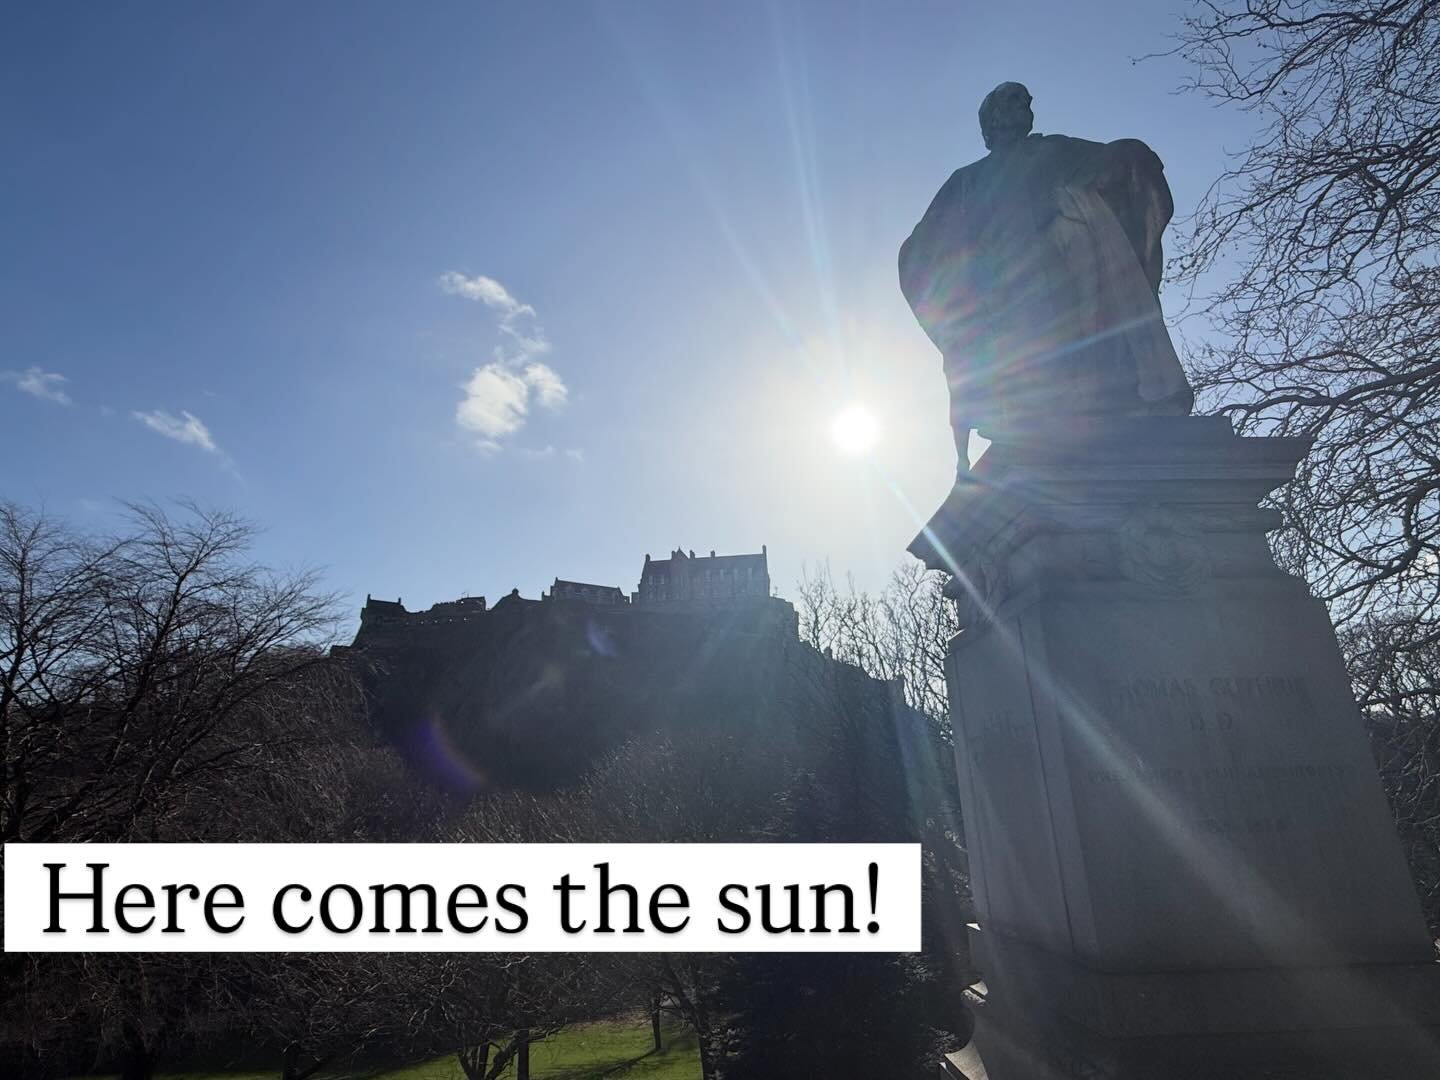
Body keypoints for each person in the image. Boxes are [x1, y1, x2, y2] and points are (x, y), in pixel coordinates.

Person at [899, 82, 1193, 471]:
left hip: (1062, 271)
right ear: (991, 120)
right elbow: (926, 244)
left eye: (1024, 104)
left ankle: (1091, 410)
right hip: (1002, 290)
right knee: (1028, 361)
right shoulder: (968, 180)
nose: (1022, 111)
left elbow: (1111, 162)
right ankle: (1035, 421)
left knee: (1080, 350)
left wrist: (1130, 155)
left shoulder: (1053, 150)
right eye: (1012, 104)